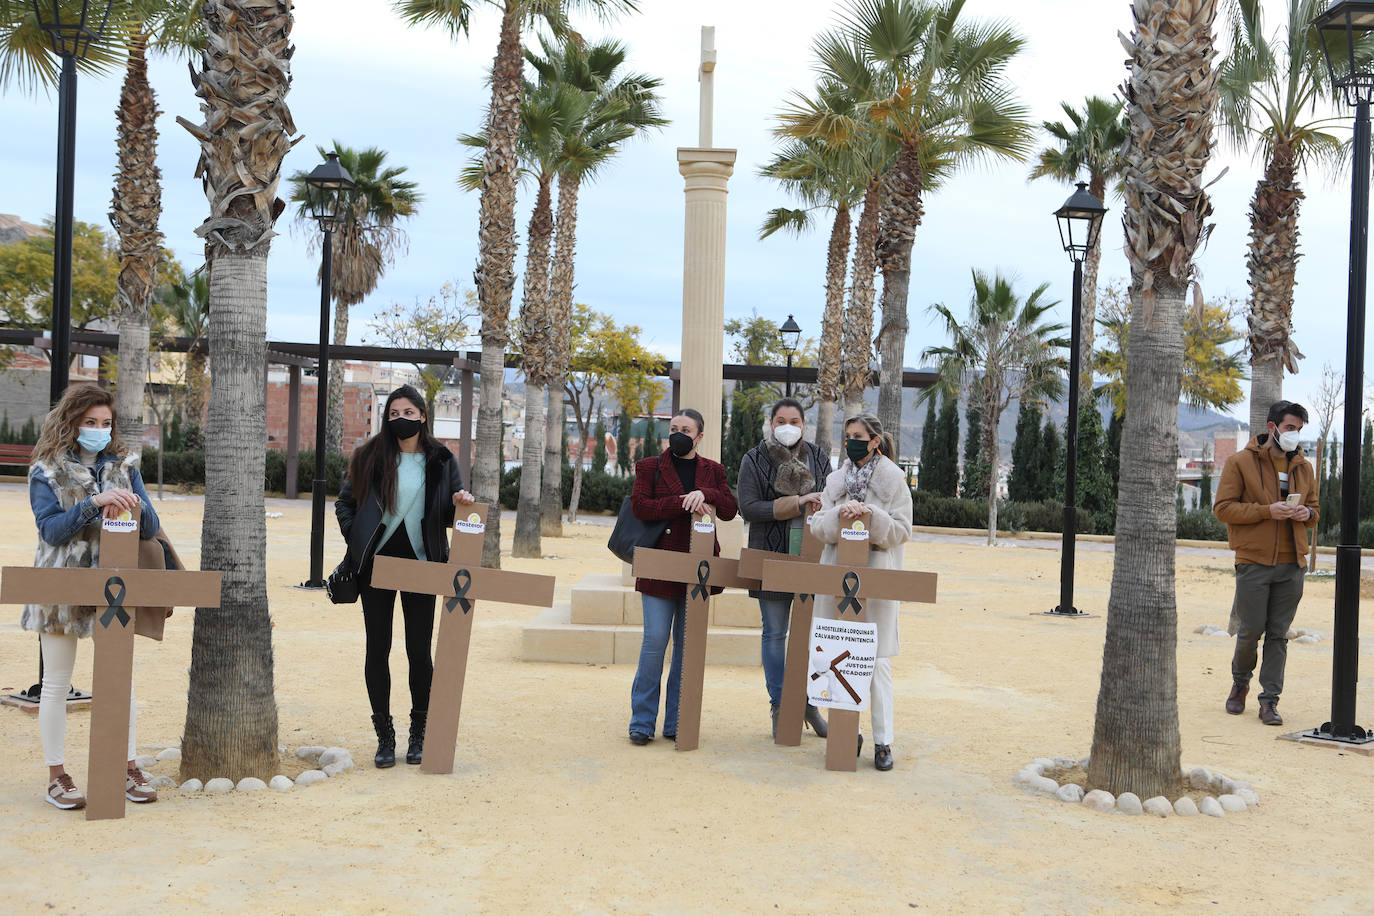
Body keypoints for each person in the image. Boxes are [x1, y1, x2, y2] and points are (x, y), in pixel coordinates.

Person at [23, 384, 161, 809]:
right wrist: (93, 503)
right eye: (90, 423)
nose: (99, 431)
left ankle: (126, 766)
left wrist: (132, 500)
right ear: (71, 423)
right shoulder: (45, 470)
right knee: (57, 684)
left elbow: (152, 528)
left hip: (114, 586)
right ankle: (57, 776)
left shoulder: (125, 465)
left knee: (121, 682)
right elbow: (50, 530)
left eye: (106, 424)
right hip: (60, 584)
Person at [336, 386, 474, 767]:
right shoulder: (368, 455)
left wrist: (460, 503)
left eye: (409, 411)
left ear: (423, 416)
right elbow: (345, 504)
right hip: (375, 567)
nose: (401, 418)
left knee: (418, 651)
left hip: (423, 564)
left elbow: (448, 514)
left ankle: (419, 733)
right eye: (394, 411)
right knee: (377, 649)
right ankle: (384, 736)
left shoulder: (443, 459)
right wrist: (358, 537)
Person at [627, 408, 738, 745]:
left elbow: (731, 509)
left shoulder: (713, 471)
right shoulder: (649, 467)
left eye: (685, 429)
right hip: (659, 565)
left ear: (699, 436)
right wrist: (682, 502)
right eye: (673, 427)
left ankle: (676, 720)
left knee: (686, 649)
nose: (677, 433)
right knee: (655, 642)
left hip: (698, 569)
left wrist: (706, 494)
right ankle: (642, 722)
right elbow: (640, 507)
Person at [809, 414, 913, 771]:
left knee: (878, 663)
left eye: (858, 436)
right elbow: (819, 527)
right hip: (838, 580)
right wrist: (841, 512)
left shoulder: (894, 481)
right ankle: (845, 730)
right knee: (837, 656)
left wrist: (870, 516)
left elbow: (902, 530)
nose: (851, 441)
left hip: (877, 581)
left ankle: (883, 742)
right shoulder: (834, 481)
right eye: (847, 435)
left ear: (874, 441)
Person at [1213, 400, 1319, 726]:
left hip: (1292, 565)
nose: (1295, 435)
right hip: (1253, 563)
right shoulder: (1240, 462)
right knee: (1250, 631)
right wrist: (1266, 511)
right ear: (1272, 427)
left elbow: (1315, 511)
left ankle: (1269, 701)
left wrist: (1307, 514)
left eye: (1299, 430)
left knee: (1278, 635)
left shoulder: (1304, 467)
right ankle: (1240, 683)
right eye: (1290, 428)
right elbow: (1223, 509)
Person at [736, 397, 831, 738]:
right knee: (774, 633)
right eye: (780, 420)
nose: (787, 426)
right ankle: (779, 704)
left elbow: (831, 498)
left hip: (813, 559)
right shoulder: (755, 458)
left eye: (794, 420)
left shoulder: (819, 457)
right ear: (771, 423)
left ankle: (808, 704)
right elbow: (747, 507)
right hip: (771, 558)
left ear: (804, 425)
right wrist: (798, 502)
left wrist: (825, 504)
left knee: (811, 638)